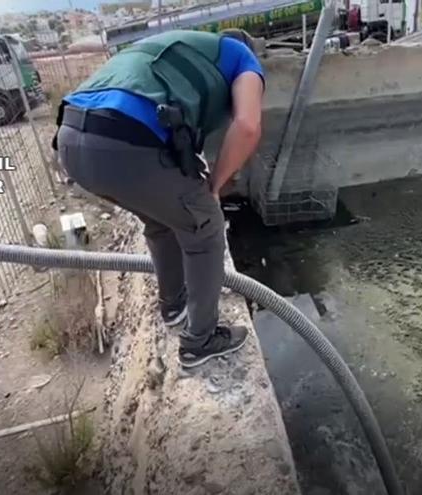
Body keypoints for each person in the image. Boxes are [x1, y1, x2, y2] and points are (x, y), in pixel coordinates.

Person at [52, 29, 264, 368]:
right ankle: (200, 341)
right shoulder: (242, 57)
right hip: (124, 143)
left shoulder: (177, 47)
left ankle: (173, 305)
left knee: (162, 218)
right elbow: (248, 125)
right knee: (205, 224)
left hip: (71, 139)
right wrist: (215, 184)